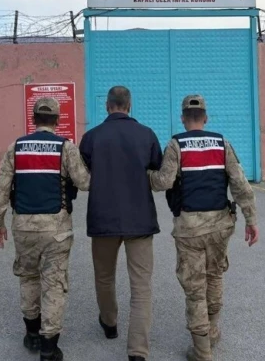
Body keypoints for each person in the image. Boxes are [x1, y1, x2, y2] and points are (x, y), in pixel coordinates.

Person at [148, 94, 260, 361]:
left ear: (183, 118)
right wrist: (251, 220)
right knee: (215, 276)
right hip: (221, 225)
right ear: (206, 118)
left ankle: (201, 350)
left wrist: (145, 175)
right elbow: (240, 185)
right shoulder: (222, 142)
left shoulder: (177, 144)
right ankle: (211, 330)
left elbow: (163, 181)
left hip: (189, 228)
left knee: (195, 285)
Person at [0, 97, 91, 361]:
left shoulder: (16, 147)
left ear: (34, 119)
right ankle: (49, 347)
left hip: (23, 226)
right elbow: (84, 182)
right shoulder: (66, 148)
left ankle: (31, 334)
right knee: (54, 283)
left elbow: (0, 191)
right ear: (57, 121)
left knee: (28, 278)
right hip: (56, 228)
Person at [79, 86, 163, 361]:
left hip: (103, 218)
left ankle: (110, 323)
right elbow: (156, 167)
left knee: (104, 277)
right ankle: (138, 351)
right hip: (140, 220)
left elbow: (85, 171)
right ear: (129, 105)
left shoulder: (91, 138)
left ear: (107, 106)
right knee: (141, 286)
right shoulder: (147, 135)